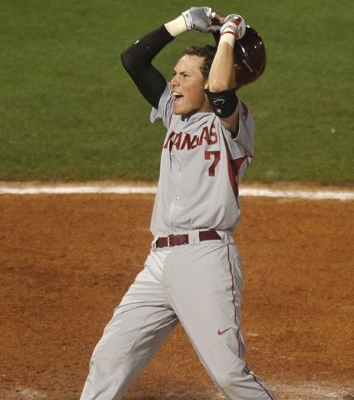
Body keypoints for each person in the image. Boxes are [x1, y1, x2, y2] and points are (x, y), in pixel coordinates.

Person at [80, 7, 276, 400]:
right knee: (110, 358)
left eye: (184, 76)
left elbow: (222, 89)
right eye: (174, 74)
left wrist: (228, 36)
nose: (173, 83)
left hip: (205, 259)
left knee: (228, 375)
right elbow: (133, 60)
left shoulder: (231, 125)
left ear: (206, 84)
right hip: (159, 263)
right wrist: (185, 22)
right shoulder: (174, 115)